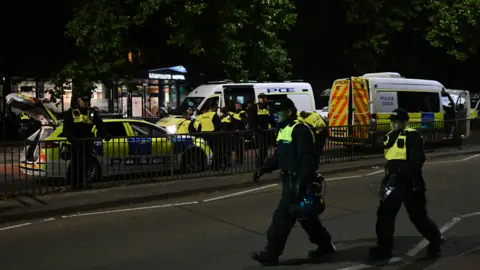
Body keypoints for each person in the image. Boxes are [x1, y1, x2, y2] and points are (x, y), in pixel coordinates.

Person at [251, 98, 335, 266]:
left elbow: (309, 159)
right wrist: (263, 169)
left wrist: (301, 182)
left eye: (279, 112)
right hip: (288, 178)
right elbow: (279, 155)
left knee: (282, 217)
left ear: (289, 112)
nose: (276, 116)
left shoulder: (300, 130)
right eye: (275, 113)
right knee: (305, 216)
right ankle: (325, 245)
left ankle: (271, 253)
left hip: (297, 179)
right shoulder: (283, 129)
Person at [370, 108, 443, 260]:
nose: (393, 124)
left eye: (396, 121)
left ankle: (435, 240)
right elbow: (384, 148)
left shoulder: (413, 135)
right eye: (392, 121)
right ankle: (384, 248)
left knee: (418, 217)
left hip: (411, 183)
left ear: (404, 122)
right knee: (384, 215)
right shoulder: (390, 136)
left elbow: (417, 160)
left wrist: (400, 172)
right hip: (392, 181)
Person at [63, 93, 110, 189]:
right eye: (83, 101)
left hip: (87, 142)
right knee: (75, 164)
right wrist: (70, 137)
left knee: (86, 164)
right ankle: (74, 184)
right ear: (79, 101)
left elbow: (100, 124)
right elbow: (66, 127)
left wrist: (105, 134)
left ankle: (83, 183)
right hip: (76, 142)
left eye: (87, 101)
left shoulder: (92, 112)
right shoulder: (72, 111)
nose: (85, 103)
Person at [247, 93, 276, 169]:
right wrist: (256, 128)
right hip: (259, 132)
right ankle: (259, 164)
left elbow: (271, 119)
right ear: (258, 99)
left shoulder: (267, 107)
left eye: (263, 98)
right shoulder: (254, 107)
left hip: (266, 132)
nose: (263, 99)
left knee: (265, 148)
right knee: (261, 148)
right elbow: (251, 120)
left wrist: (277, 126)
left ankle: (261, 163)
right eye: (261, 98)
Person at [198, 104, 223, 170]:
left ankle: (212, 165)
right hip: (213, 135)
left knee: (210, 151)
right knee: (216, 151)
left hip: (204, 135)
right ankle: (215, 166)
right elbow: (219, 125)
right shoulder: (213, 114)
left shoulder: (202, 116)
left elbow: (199, 127)